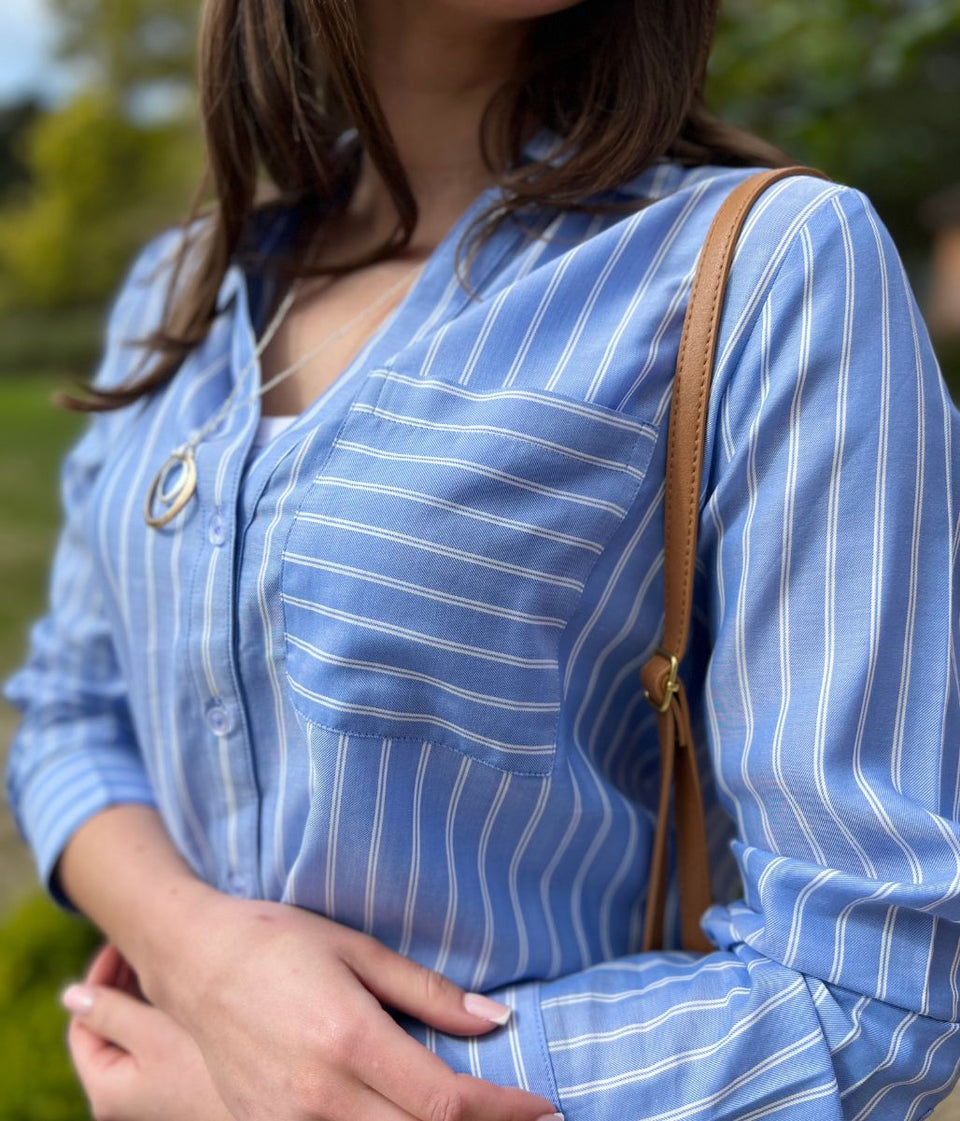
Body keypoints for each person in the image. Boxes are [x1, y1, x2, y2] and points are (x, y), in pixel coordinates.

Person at [4, 0, 960, 1118]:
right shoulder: (183, 290)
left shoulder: (770, 267)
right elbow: (69, 710)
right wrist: (200, 957)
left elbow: (876, 989)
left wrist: (312, 1090)